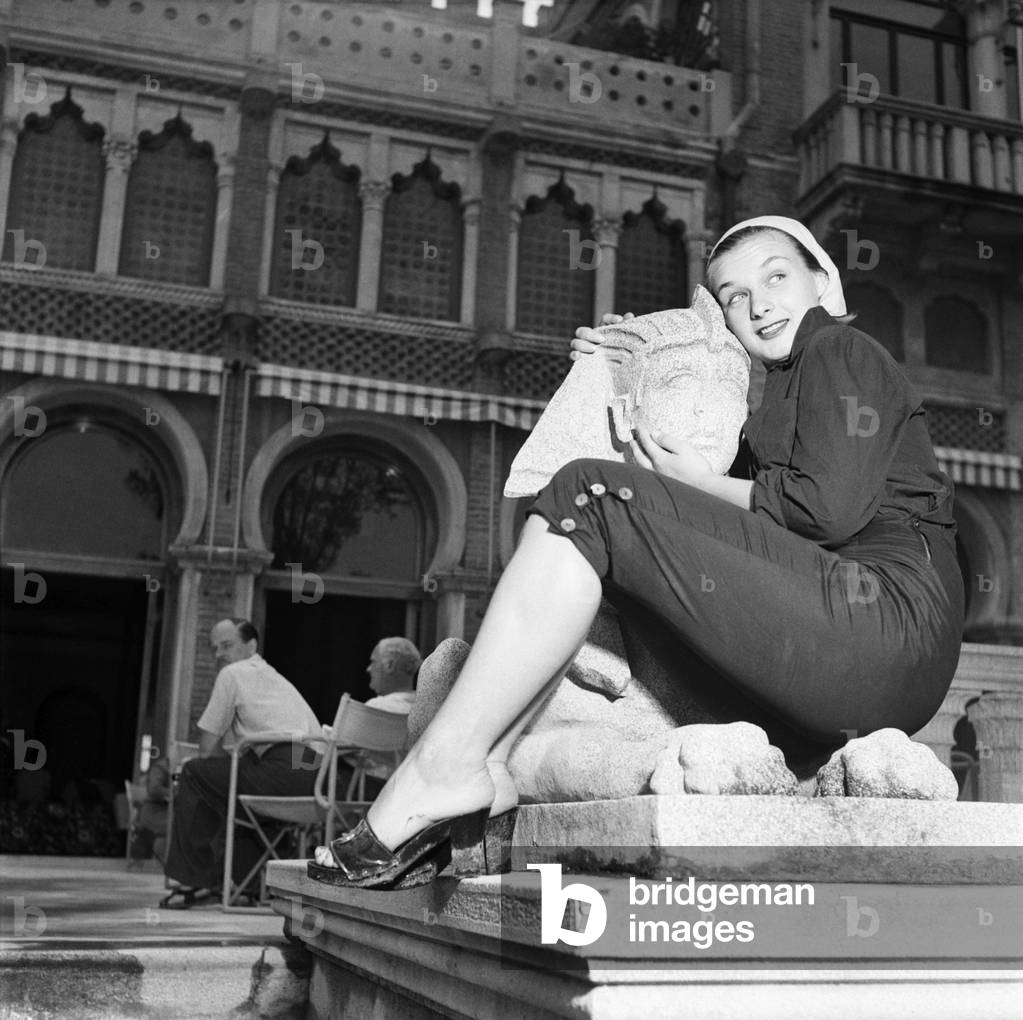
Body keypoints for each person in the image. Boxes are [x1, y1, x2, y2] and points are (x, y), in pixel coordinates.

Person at [308, 215, 965, 890]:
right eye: (733, 295)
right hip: (848, 655)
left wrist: (701, 484)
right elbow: (706, 520)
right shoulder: (784, 397)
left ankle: (447, 771)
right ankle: (485, 771)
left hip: (880, 623)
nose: (758, 303)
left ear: (822, 280)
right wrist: (615, 362)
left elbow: (821, 508)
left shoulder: (840, 350)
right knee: (609, 534)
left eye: (775, 276)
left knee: (586, 491)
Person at [160, 618, 321, 908]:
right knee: (235, 784)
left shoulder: (233, 673)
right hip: (315, 773)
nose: (219, 654)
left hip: (284, 766)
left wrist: (192, 765)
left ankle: (194, 881)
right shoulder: (275, 678)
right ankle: (249, 884)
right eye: (215, 648)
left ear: (251, 645)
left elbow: (206, 747)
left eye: (227, 645)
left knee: (195, 773)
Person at [364, 637, 422, 715]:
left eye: (373, 662)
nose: (369, 669)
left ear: (389, 665)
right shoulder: (427, 710)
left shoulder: (375, 707)